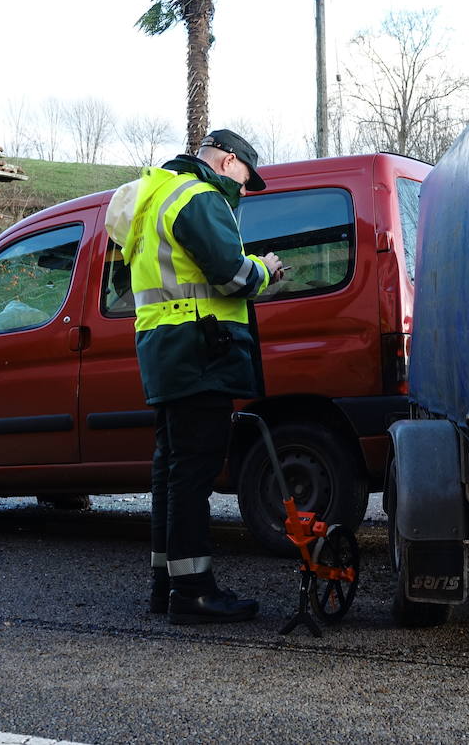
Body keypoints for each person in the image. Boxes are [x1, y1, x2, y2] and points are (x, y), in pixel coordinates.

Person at [120, 129, 283, 624]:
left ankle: (166, 585)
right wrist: (266, 267)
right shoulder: (199, 196)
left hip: (164, 349)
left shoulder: (155, 196)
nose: (242, 188)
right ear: (228, 161)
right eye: (244, 177)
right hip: (199, 351)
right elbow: (231, 276)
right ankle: (194, 593)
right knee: (193, 473)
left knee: (171, 470)